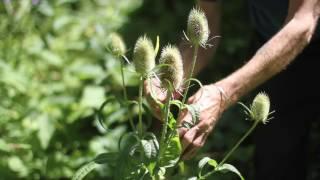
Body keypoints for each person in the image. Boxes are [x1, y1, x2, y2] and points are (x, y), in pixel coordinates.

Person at [146, 0, 320, 179]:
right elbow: (207, 22)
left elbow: (302, 24)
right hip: (273, 46)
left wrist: (223, 93)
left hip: (297, 34)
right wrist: (171, 75)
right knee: (276, 163)